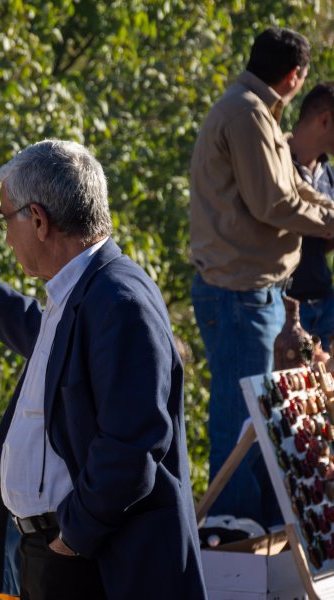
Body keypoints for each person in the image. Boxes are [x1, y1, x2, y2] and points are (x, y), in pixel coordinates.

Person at [0, 140, 206, 599]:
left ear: (37, 220)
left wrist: (70, 540)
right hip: (70, 550)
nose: (5, 235)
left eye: (6, 219)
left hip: (96, 559)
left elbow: (132, 445)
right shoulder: (85, 285)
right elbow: (60, 352)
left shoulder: (120, 300)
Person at [190, 27, 334, 527]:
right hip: (238, 294)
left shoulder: (256, 111)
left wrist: (329, 211)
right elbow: (273, 203)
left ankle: (251, 523)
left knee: (261, 415)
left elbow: (293, 187)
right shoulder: (246, 113)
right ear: (294, 76)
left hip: (255, 294)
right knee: (239, 412)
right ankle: (229, 524)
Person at [288, 82, 334, 353]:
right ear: (325, 120)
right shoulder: (277, 165)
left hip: (324, 299)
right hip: (285, 305)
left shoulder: (329, 174)